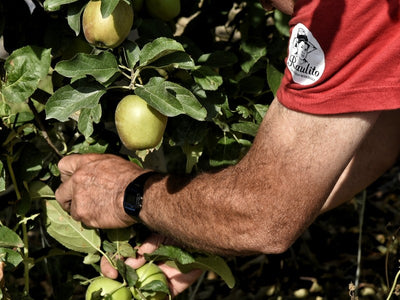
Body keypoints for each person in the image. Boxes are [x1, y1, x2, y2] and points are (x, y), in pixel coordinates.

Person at [55, 0, 400, 297]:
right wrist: (198, 226)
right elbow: (380, 141)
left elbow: (264, 215)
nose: (264, 6)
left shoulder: (339, 11)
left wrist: (125, 193)